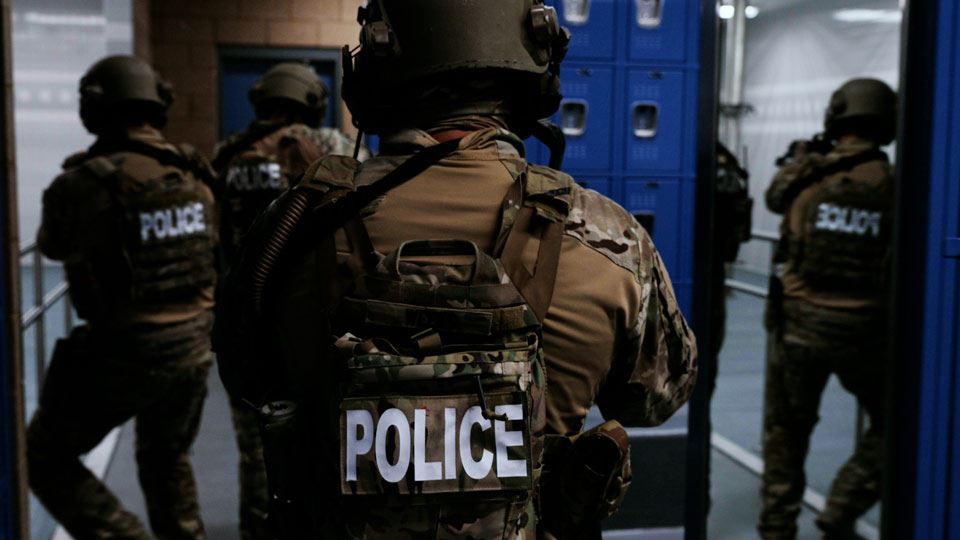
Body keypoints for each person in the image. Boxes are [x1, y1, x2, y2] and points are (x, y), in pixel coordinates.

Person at [215, 2, 697, 538]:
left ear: (373, 74)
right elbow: (660, 396)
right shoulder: (610, 238)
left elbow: (245, 372)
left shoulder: (295, 225)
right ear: (536, 71)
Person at [26, 55, 218, 540]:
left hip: (126, 350)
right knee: (167, 458)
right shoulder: (194, 176)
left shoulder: (85, 183)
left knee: (43, 456)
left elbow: (55, 245)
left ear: (94, 111)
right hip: (193, 345)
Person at [210, 61, 366, 540]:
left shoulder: (228, 155)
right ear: (312, 101)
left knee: (258, 452)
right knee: (330, 438)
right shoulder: (333, 147)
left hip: (250, 325)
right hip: (317, 321)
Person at [759, 78, 896, 539]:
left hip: (799, 330)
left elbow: (774, 198)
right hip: (867, 333)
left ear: (837, 118)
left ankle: (777, 527)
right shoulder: (896, 183)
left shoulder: (808, 173)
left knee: (785, 436)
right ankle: (841, 505)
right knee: (899, 424)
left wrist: (805, 157)